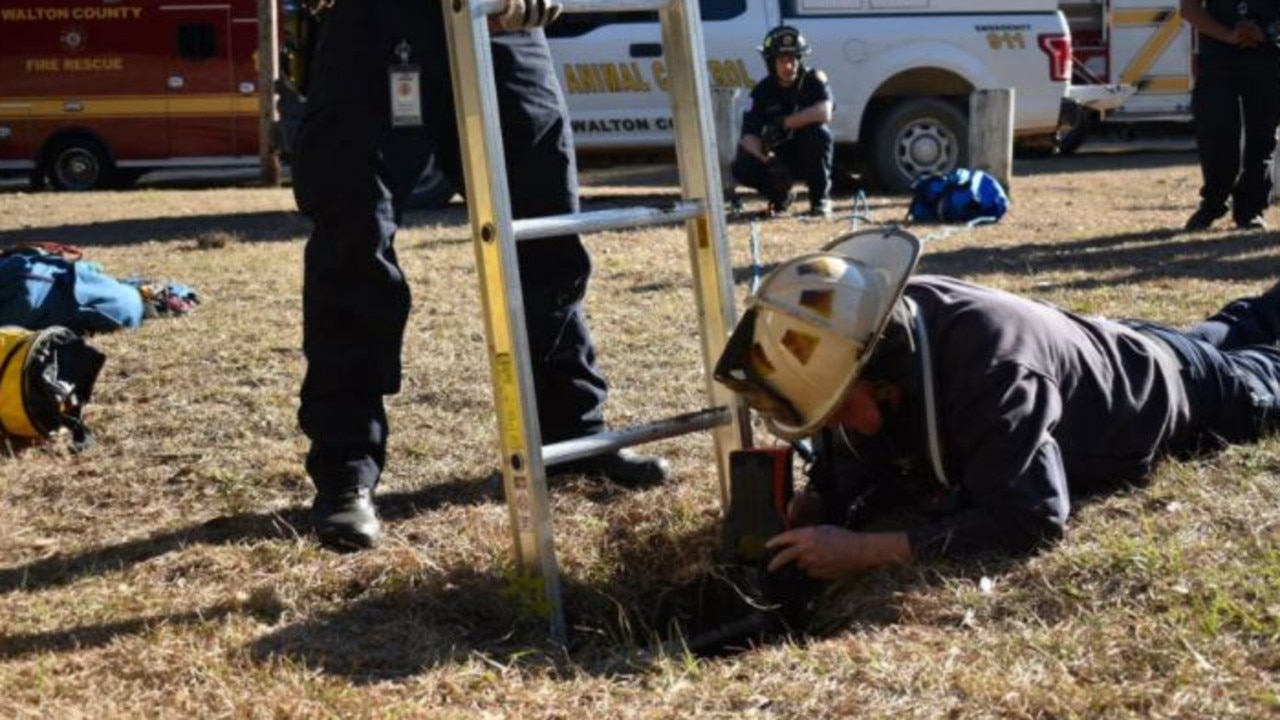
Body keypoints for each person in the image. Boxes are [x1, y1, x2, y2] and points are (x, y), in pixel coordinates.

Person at [293, 0, 669, 552]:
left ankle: (574, 431)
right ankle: (347, 469)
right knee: (354, 241)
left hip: (499, 20)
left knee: (545, 231)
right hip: (374, 24)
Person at [713, 227, 1280, 580]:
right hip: (1129, 344)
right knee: (1242, 325)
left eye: (836, 412)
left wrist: (866, 550)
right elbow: (869, 445)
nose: (836, 430)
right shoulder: (874, 335)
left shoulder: (990, 373)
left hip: (1173, 391)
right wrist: (822, 498)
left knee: (1260, 375)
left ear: (882, 380)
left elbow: (1029, 517)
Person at [1180, 0, 1280, 231]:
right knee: (1216, 128)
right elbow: (1188, 8)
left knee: (1263, 137)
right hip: (1219, 54)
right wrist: (1228, 35)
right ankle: (1214, 203)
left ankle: (1250, 210)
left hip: (1268, 54)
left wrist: (1265, 33)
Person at [730, 25, 835, 220]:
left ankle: (820, 200)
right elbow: (747, 137)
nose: (789, 66)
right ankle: (780, 197)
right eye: (782, 60)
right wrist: (770, 161)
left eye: (793, 59)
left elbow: (824, 112)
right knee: (742, 164)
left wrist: (786, 122)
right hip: (778, 157)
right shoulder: (761, 91)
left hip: (806, 152)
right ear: (771, 62)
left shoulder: (813, 80)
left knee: (819, 134)